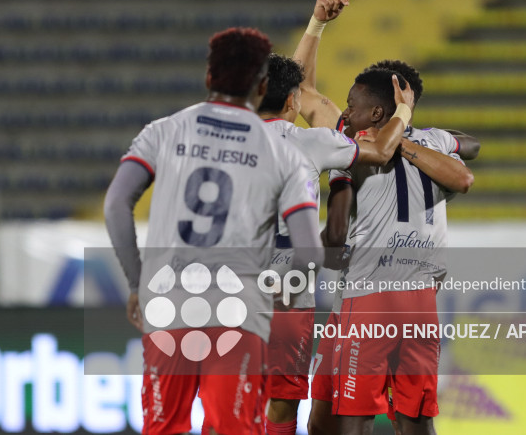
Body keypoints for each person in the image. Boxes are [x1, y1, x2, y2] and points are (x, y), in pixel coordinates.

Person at [103, 27, 325, 435]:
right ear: (262, 85)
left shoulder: (164, 131)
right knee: (234, 428)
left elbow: (116, 205)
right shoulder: (284, 153)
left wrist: (137, 283)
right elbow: (310, 254)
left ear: (208, 77)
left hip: (168, 303)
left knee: (164, 427)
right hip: (238, 309)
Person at [258, 53, 415, 435]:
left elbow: (303, 91)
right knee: (283, 399)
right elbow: (379, 151)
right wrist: (403, 114)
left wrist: (316, 25)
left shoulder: (215, 140)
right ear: (292, 102)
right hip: (287, 287)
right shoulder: (311, 142)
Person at [322, 67, 474, 435]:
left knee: (354, 418)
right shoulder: (435, 141)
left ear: (376, 114)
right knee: (418, 419)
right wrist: (410, 135)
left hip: (369, 294)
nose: (345, 114)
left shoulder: (354, 150)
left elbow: (336, 235)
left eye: (351, 105)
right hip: (421, 300)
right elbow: (471, 147)